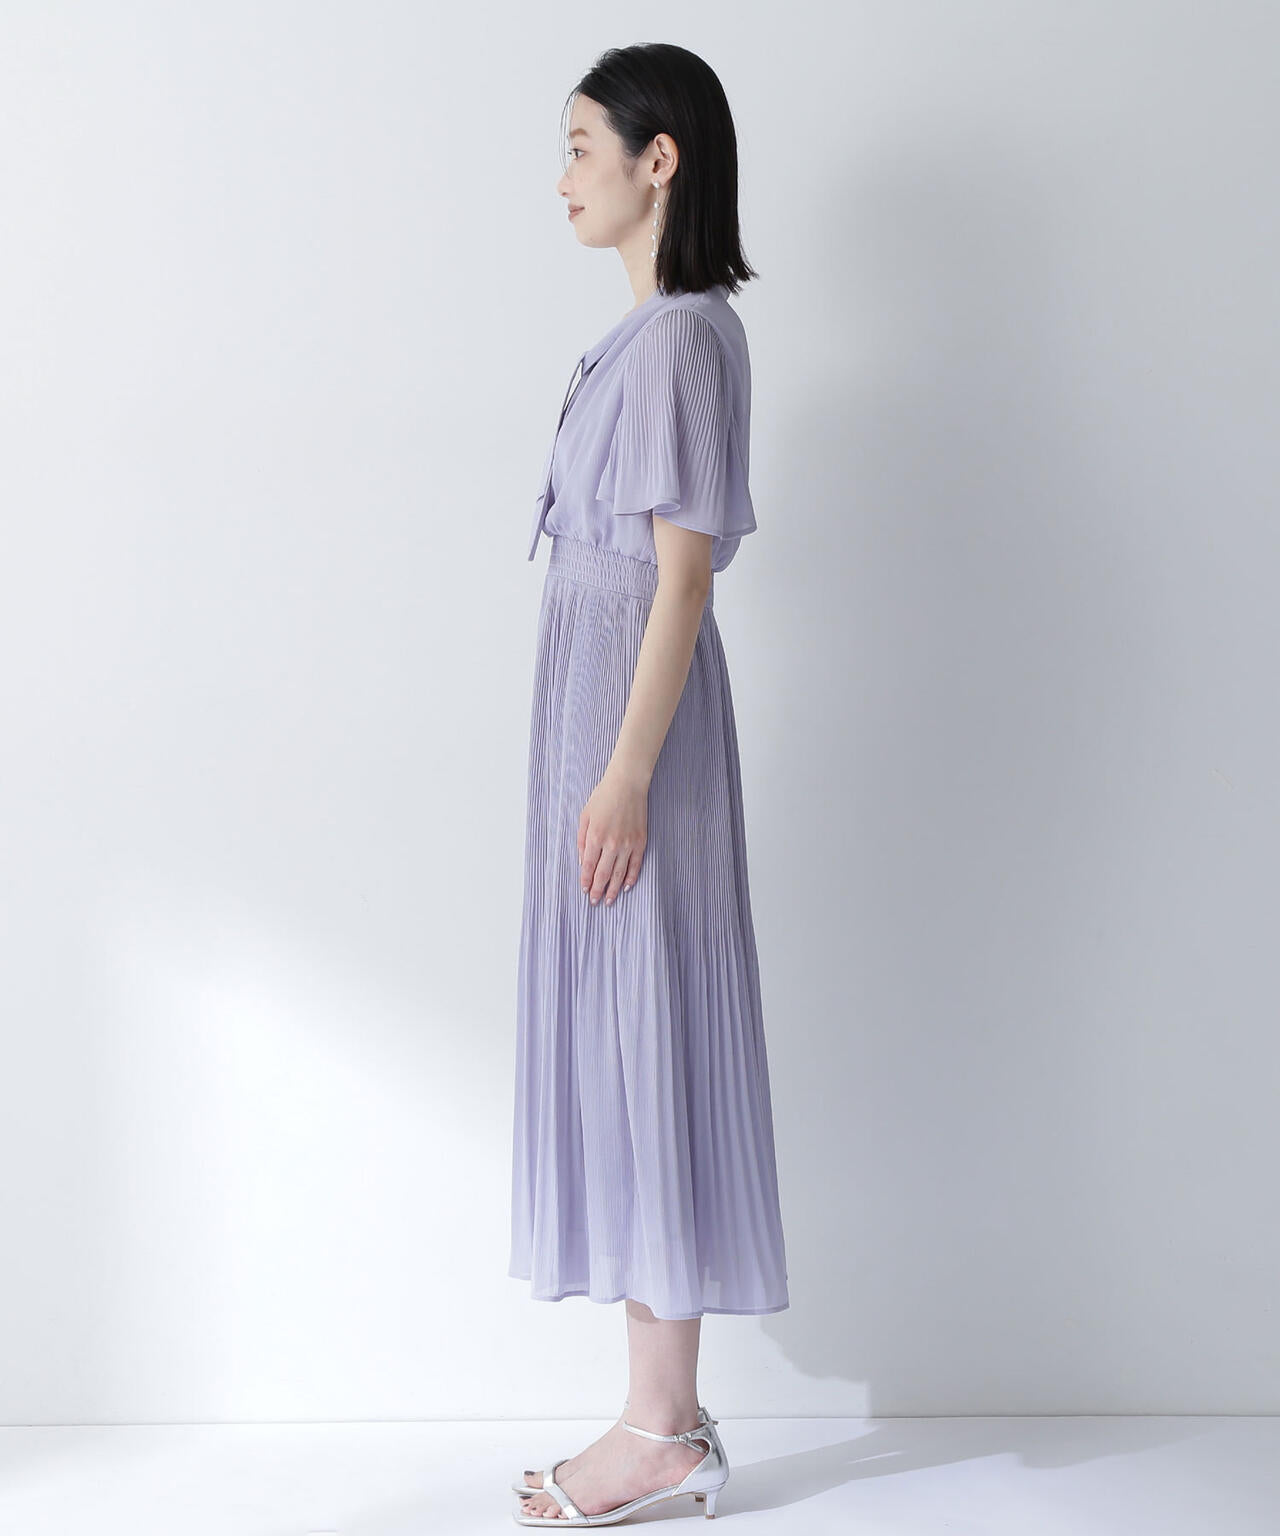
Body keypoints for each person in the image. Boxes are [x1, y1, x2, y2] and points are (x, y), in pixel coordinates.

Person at [508, 43, 789, 1526]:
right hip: (601, 727)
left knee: (646, 1039)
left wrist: (623, 776)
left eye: (579, 145)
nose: (562, 175)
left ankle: (662, 1432)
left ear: (656, 157)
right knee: (625, 1042)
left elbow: (681, 580)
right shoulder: (646, 338)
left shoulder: (682, 340)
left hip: (638, 741)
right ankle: (659, 1416)